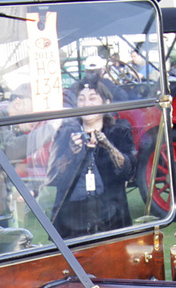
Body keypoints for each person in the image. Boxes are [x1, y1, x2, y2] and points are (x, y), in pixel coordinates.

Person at [44, 77, 135, 238]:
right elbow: (53, 177)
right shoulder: (65, 132)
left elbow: (128, 170)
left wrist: (107, 146)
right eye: (81, 99)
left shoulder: (119, 130)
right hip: (72, 219)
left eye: (92, 98)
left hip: (112, 216)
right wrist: (71, 152)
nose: (86, 104)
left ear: (106, 102)